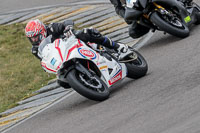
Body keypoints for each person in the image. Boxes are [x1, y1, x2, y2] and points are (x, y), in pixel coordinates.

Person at [25, 19, 129, 60]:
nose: (34, 40)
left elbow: (66, 23)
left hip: (73, 42)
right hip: (64, 57)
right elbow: (44, 61)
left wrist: (67, 28)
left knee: (86, 33)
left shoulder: (52, 28)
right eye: (31, 39)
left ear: (42, 31)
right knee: (62, 82)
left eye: (35, 37)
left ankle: (117, 46)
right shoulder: (36, 50)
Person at [110, 0, 200, 38]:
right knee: (133, 32)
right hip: (137, 9)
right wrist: (124, 15)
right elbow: (118, 8)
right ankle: (158, 24)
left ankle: (185, 8)